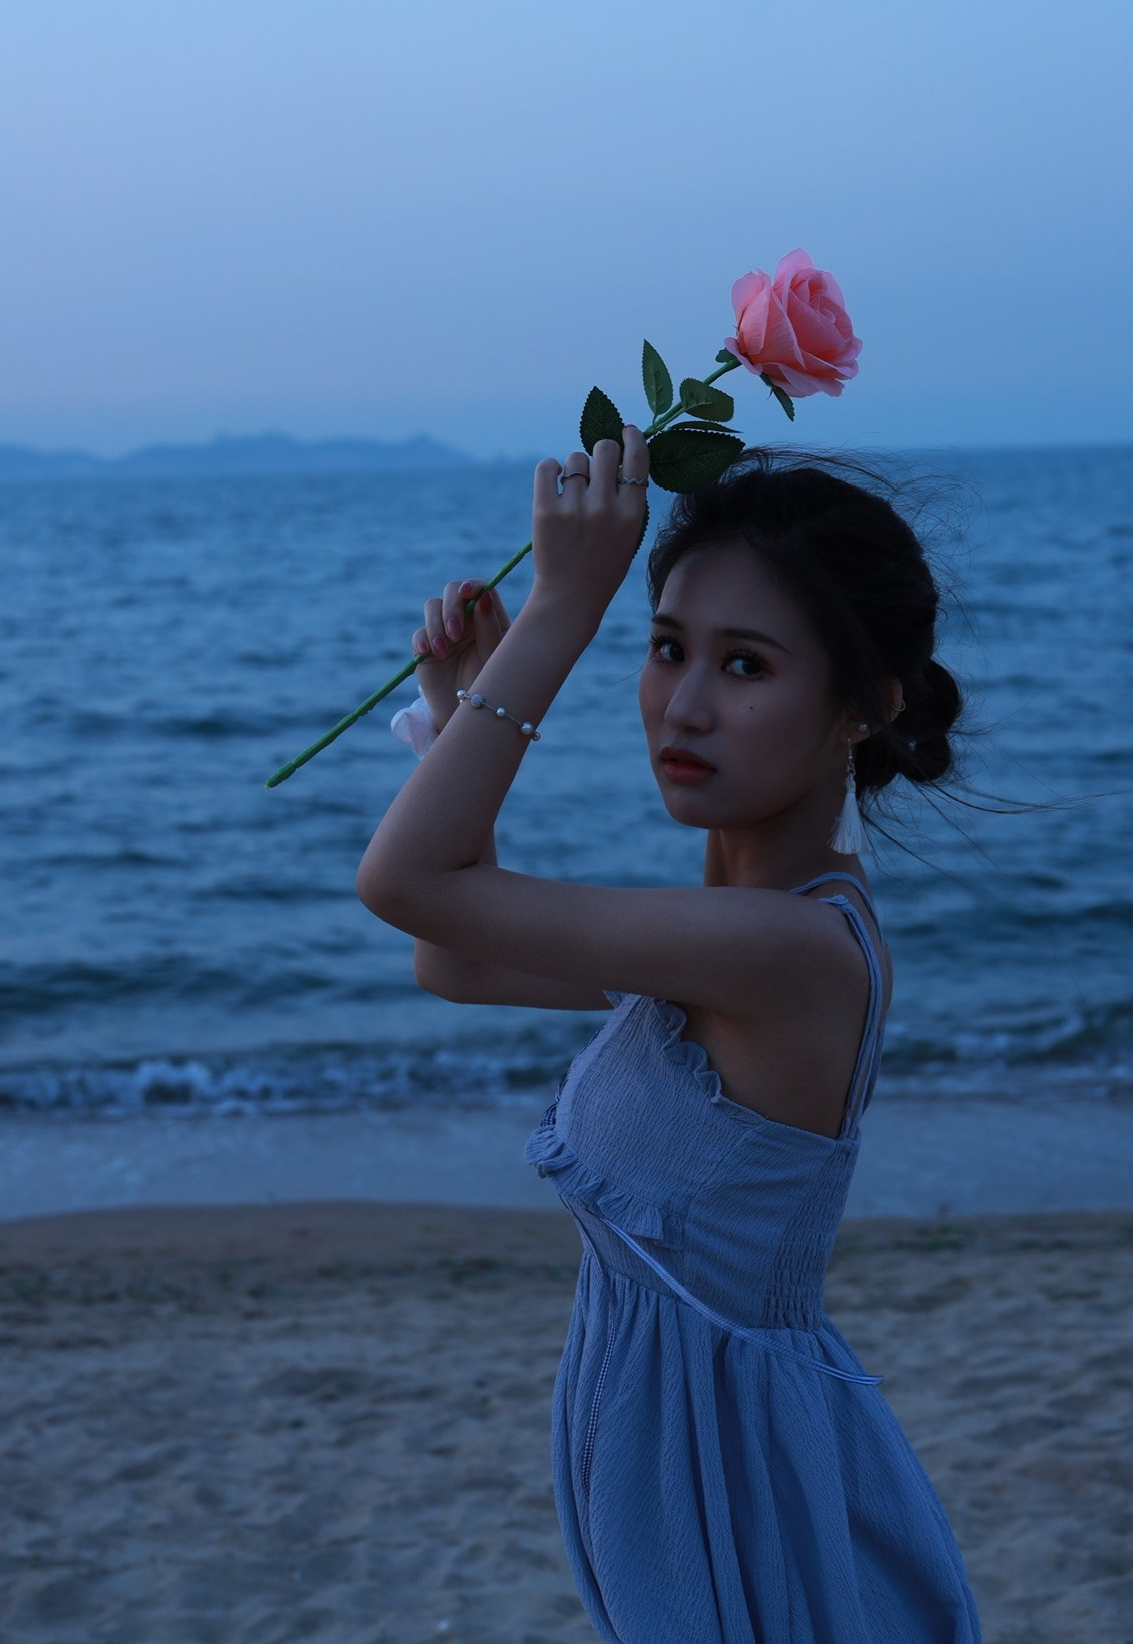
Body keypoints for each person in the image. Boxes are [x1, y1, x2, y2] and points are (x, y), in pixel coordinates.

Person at [357, 429, 982, 1643]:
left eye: (745, 666)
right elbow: (453, 956)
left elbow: (408, 885)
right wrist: (456, 705)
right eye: (664, 648)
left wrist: (558, 614)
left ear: (860, 711)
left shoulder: (788, 955)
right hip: (677, 1469)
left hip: (733, 1491)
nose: (683, 705)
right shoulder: (724, 933)